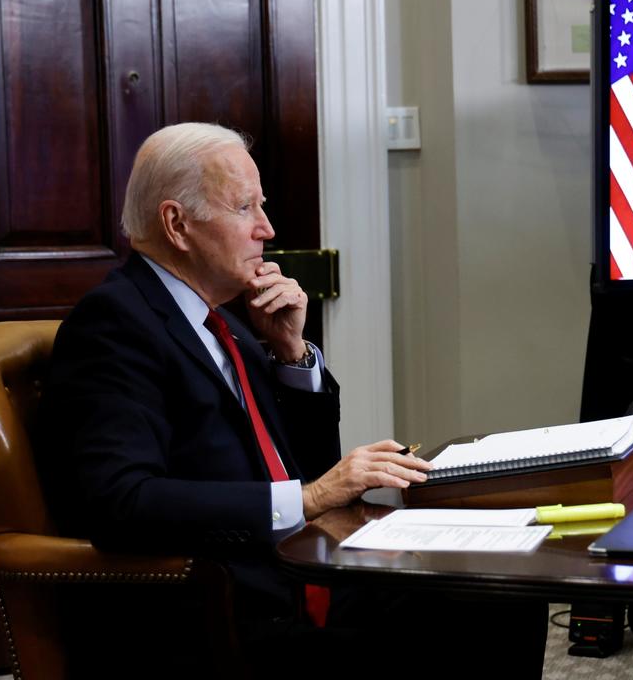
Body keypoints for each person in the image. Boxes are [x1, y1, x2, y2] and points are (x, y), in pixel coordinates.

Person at [37, 123, 546, 676]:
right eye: (245, 208)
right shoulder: (115, 324)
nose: (267, 228)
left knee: (506, 590)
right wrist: (308, 499)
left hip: (299, 580)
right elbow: (123, 502)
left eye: (263, 205)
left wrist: (290, 355)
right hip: (222, 619)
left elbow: (309, 467)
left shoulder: (225, 320)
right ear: (176, 223)